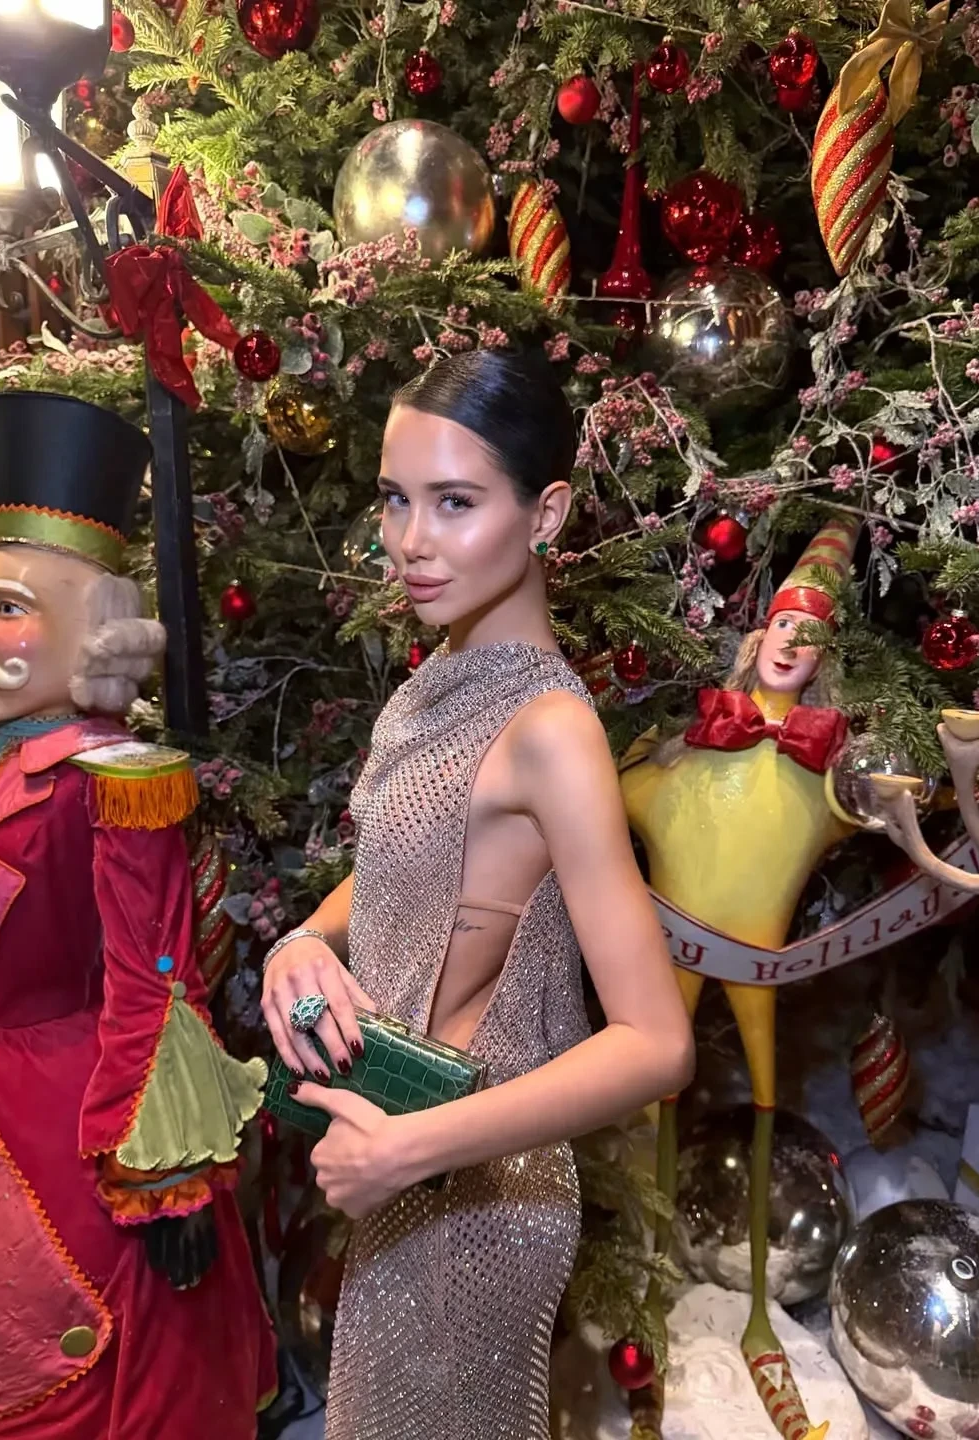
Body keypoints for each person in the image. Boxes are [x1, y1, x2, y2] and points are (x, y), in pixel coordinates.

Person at [261, 349, 694, 1440]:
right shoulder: (437, 687)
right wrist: (302, 938)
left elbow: (657, 1044)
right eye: (395, 499)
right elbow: (415, 866)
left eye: (455, 502)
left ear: (545, 515)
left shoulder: (553, 733)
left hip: (477, 1200)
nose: (412, 541)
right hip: (411, 1164)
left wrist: (409, 1151)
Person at [0, 392, 276, 1438]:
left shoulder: (113, 782)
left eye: (6, 609)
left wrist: (169, 1175)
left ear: (90, 633)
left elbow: (157, 977)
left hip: (64, 1133)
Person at [619, 518, 859, 1440]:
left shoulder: (823, 768)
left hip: (758, 963)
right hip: (673, 954)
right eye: (786, 626)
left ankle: (760, 1313)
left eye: (813, 636)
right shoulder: (690, 745)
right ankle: (647, 1287)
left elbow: (863, 813)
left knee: (764, 1103)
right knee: (658, 1090)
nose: (794, 645)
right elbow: (626, 794)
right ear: (759, 636)